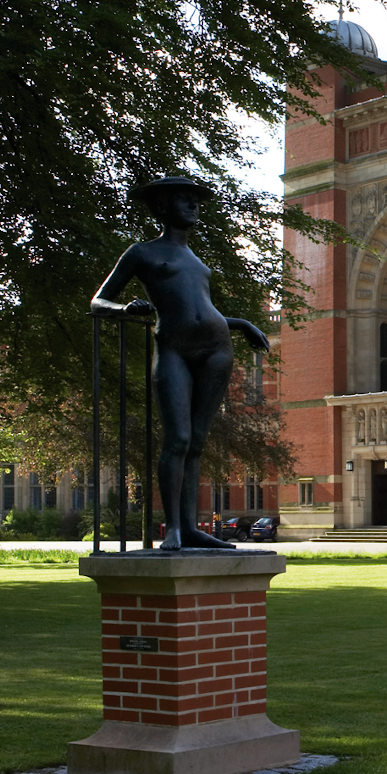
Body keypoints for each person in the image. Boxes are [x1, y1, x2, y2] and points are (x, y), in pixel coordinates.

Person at [91, 176, 270, 550]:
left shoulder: (195, 260)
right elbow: (98, 302)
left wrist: (242, 324)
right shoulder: (143, 253)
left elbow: (203, 309)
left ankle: (190, 528)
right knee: (178, 438)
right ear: (162, 207)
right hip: (174, 349)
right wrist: (125, 308)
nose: (193, 205)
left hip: (216, 348)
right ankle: (173, 527)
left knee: (198, 441)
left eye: (195, 199)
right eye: (183, 200)